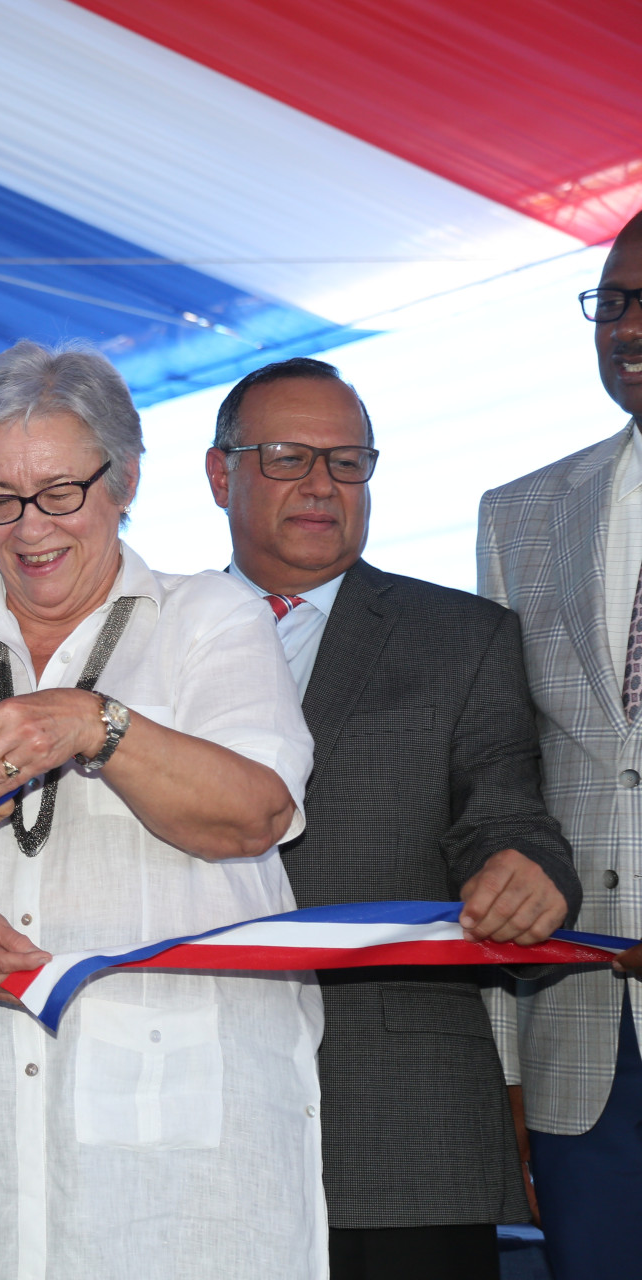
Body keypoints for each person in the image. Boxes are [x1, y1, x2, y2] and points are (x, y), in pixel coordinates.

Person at [0, 340, 325, 1280]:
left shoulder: (210, 621)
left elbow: (256, 814)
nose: (30, 528)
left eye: (60, 492)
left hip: (179, 1141)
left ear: (125, 479)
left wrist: (97, 725)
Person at [208, 356, 578, 1280]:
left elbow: (505, 812)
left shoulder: (463, 636)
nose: (321, 485)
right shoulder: (140, 638)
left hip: (401, 1126)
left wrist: (527, 873)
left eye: (347, 461)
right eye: (288, 457)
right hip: (184, 1112)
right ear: (221, 474)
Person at [479, 207, 642, 1280]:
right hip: (580, 1042)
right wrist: (502, 1063)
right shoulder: (522, 515)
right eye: (612, 302)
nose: (627, 327)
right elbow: (498, 788)